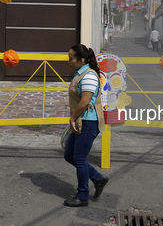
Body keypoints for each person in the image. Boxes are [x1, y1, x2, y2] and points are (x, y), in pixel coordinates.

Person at [63, 44, 109, 207]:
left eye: (71, 58)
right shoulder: (80, 73)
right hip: (81, 120)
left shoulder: (89, 76)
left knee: (80, 159)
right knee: (69, 155)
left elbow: (84, 102)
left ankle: (82, 196)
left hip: (88, 121)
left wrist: (72, 118)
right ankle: (98, 178)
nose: (68, 61)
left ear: (81, 60)